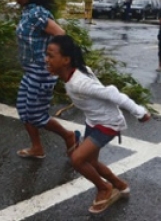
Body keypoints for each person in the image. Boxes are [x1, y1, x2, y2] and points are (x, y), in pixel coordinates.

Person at [45, 35, 151, 214]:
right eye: (46, 55)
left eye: (50, 56)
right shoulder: (73, 73)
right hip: (94, 121)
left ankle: (104, 188)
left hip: (108, 123)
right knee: (91, 161)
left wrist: (139, 112)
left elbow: (112, 93)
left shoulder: (79, 83)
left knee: (77, 159)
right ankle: (119, 185)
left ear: (66, 60)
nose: (46, 59)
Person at [14, 0, 79, 159]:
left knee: (36, 115)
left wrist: (54, 60)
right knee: (23, 110)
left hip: (41, 72)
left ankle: (69, 136)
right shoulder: (28, 12)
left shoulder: (37, 14)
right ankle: (37, 148)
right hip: (30, 70)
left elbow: (61, 34)